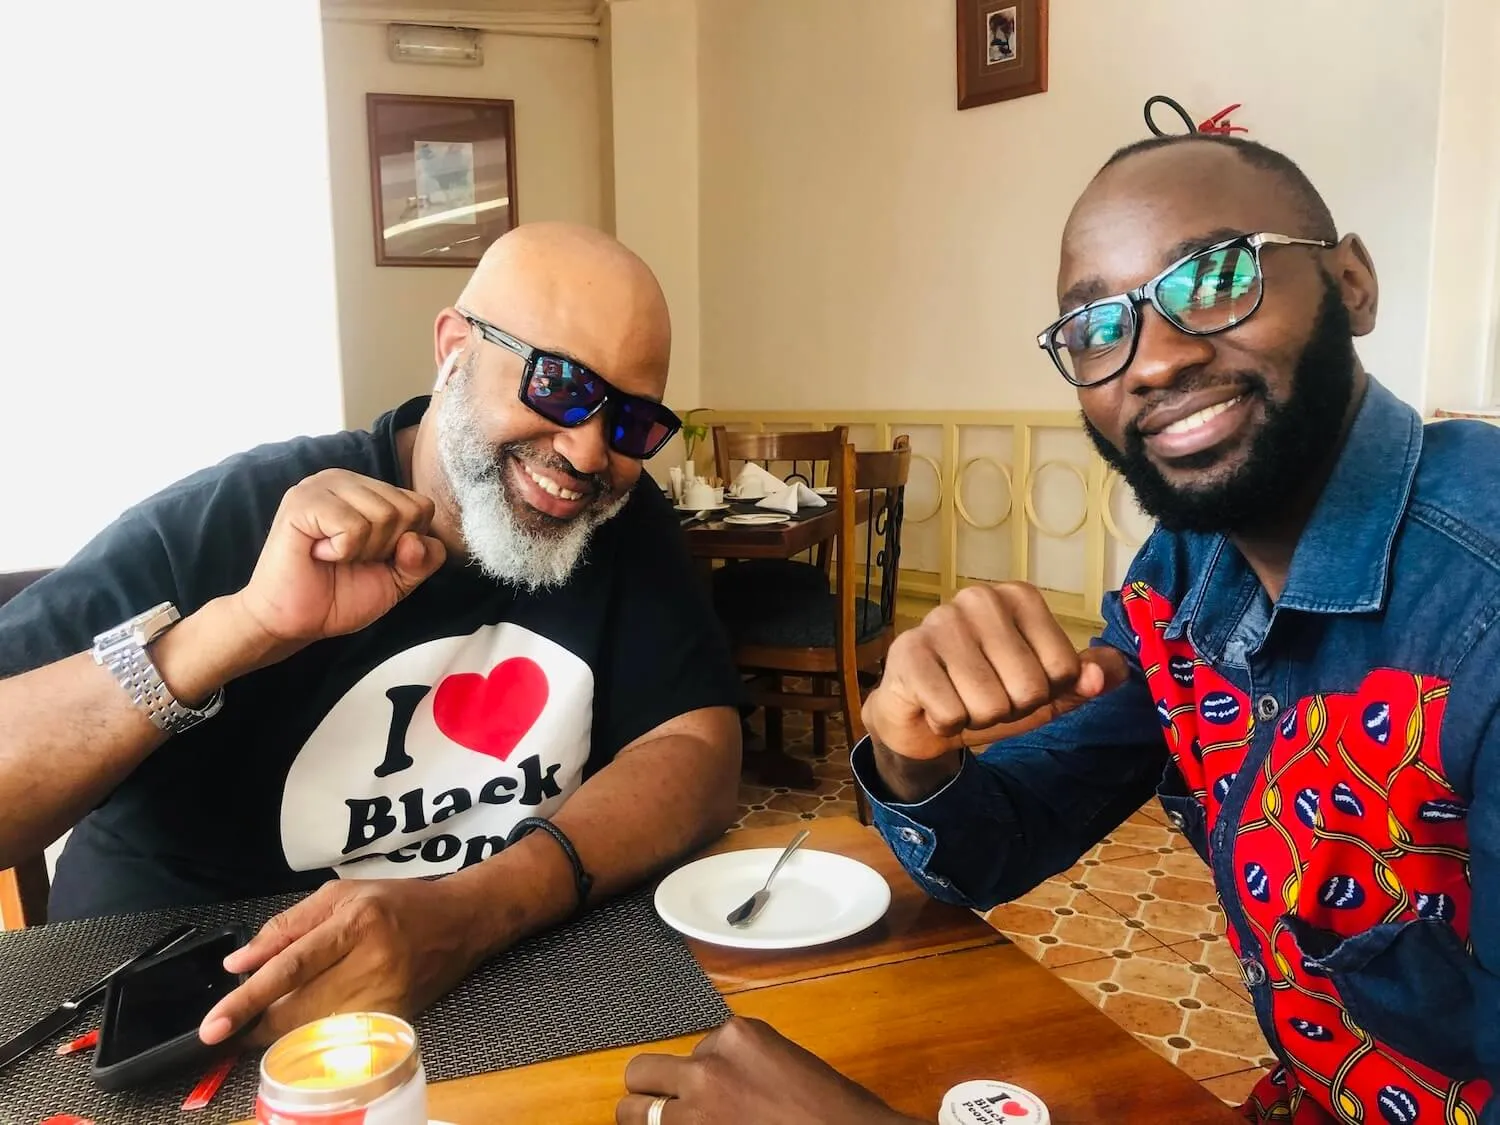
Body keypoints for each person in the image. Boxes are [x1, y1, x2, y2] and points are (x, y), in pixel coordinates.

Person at [617, 136, 1495, 1124]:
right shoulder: (1185, 572)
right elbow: (998, 845)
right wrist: (908, 747)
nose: (1156, 357)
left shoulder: (1482, 615)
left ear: (1353, 283)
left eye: (1216, 278)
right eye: (1096, 326)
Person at [0, 222, 744, 1047]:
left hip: (504, 983)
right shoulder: (227, 518)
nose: (588, 450)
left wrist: (475, 908)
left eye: (632, 422)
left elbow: (699, 747)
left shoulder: (625, 523)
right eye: (559, 384)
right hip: (194, 1016)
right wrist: (242, 626)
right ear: (454, 346)